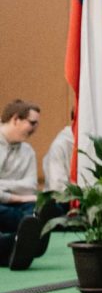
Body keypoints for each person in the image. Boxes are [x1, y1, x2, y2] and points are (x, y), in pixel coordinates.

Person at [0, 100, 41, 239]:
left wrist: (2, 186)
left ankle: (22, 237)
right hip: (12, 203)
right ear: (16, 119)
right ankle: (22, 237)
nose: (35, 129)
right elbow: (25, 193)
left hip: (18, 205)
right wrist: (20, 197)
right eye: (32, 123)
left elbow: (31, 186)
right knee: (26, 219)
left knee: (36, 208)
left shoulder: (28, 151)